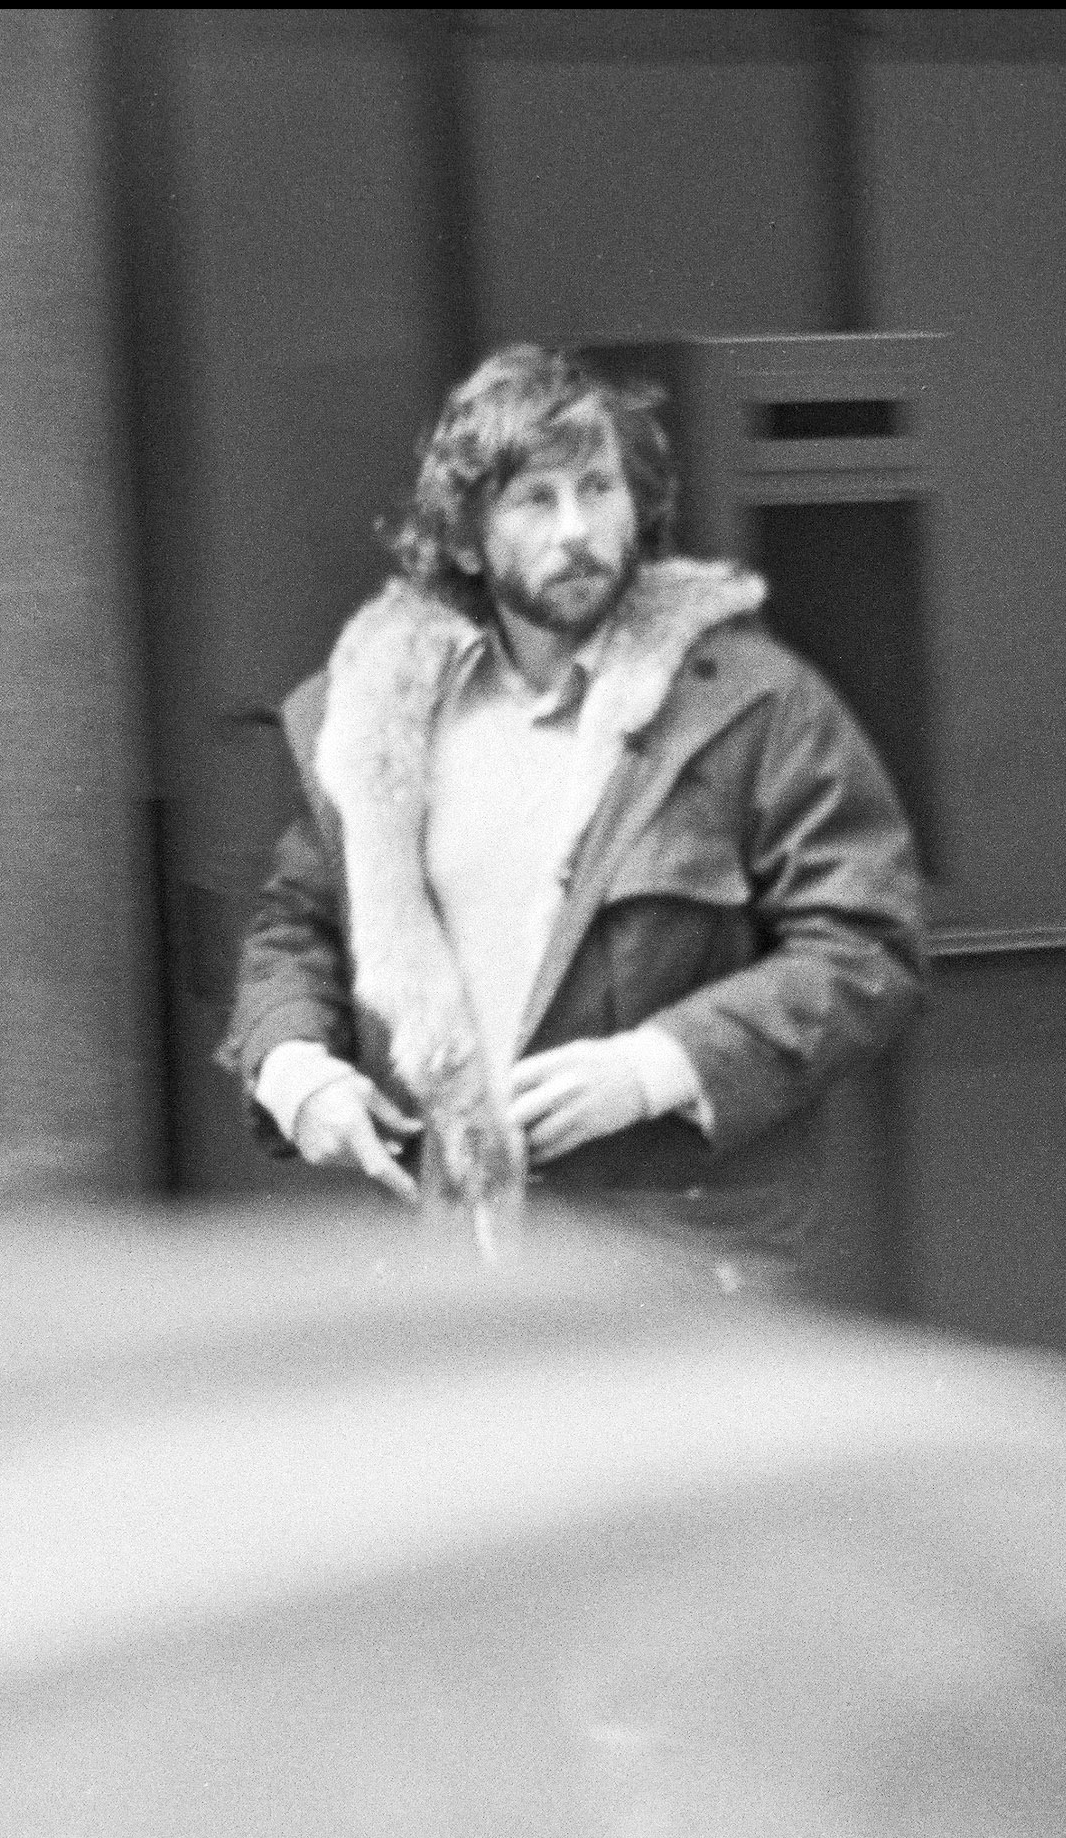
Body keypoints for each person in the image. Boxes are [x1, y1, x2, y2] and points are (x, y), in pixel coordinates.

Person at [217, 344, 925, 1288]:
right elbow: (297, 924)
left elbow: (866, 945)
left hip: (679, 1251)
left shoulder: (754, 704)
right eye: (534, 500)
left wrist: (660, 1064)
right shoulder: (377, 724)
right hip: (463, 1252)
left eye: (599, 489)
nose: (577, 530)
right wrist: (297, 1070)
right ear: (465, 539)